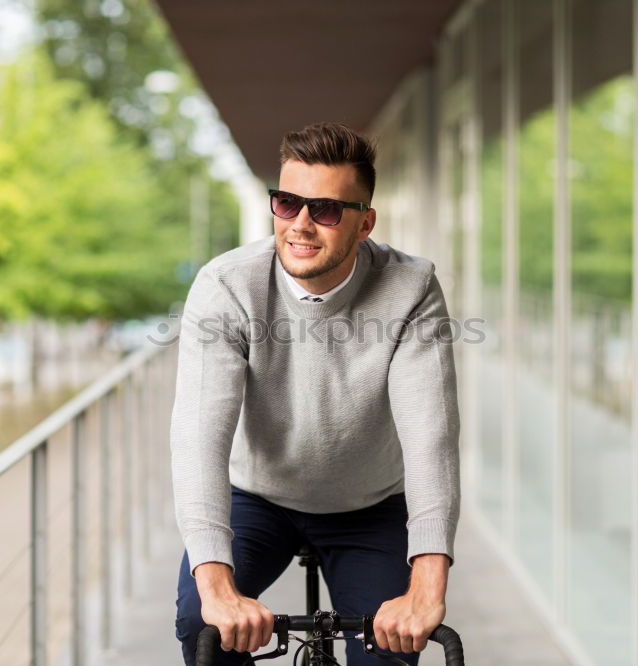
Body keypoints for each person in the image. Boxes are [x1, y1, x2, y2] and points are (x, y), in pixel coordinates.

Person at [172, 121, 460, 665]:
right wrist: (216, 588)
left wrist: (428, 578)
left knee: (388, 653)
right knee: (200, 624)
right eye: (286, 203)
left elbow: (432, 438)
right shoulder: (226, 286)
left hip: (371, 504)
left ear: (365, 223)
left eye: (326, 210)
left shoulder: (411, 287)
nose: (301, 225)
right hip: (256, 498)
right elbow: (197, 440)